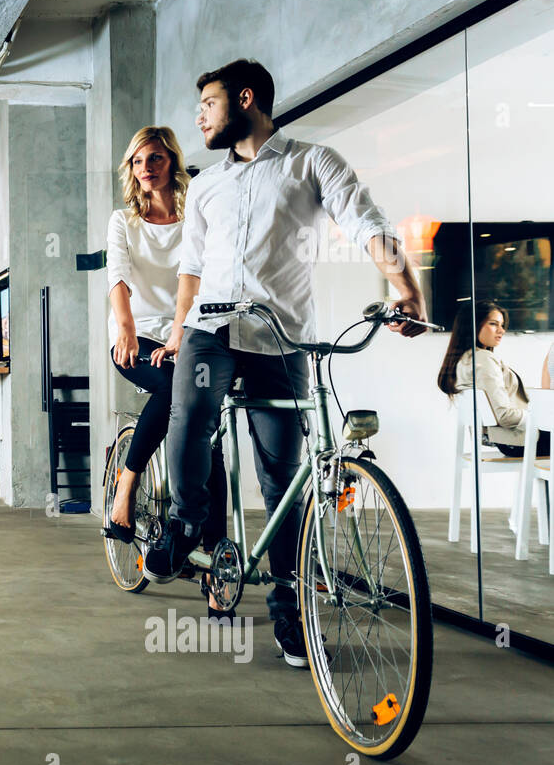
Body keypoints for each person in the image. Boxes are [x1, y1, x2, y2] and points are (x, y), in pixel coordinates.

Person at [141, 58, 428, 668]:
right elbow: (190, 270)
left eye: (209, 104)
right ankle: (186, 523)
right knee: (187, 416)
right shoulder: (208, 187)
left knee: (283, 484)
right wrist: (174, 333)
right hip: (211, 330)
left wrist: (402, 282)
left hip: (283, 338)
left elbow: (362, 218)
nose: (199, 117)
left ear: (246, 99)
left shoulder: (312, 162)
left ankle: (290, 614)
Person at [101, 126, 230, 615]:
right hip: (135, 337)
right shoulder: (124, 222)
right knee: (181, 402)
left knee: (205, 438)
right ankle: (127, 485)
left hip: (186, 333)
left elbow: (192, 279)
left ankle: (217, 565)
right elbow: (118, 277)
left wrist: (181, 335)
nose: (146, 168)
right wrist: (128, 329)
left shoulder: (192, 212)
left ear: (171, 161)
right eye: (137, 161)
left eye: (154, 158)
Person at [439, 300, 549, 456]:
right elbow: (504, 416)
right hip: (518, 441)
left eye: (502, 325)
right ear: (473, 325)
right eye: (493, 324)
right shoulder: (483, 360)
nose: (501, 330)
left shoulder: (465, 360)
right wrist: (540, 417)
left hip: (509, 441)